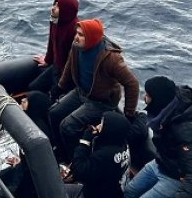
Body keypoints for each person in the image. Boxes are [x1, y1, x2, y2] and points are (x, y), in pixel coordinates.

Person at [49, 19, 139, 163]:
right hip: (81, 92)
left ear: (91, 37)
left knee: (67, 126)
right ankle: (60, 149)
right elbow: (69, 66)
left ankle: (74, 162)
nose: (76, 37)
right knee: (54, 113)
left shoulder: (111, 58)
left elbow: (132, 84)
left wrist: (129, 114)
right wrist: (60, 87)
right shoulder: (76, 46)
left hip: (101, 102)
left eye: (81, 35)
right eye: (77, 33)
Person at [124, 77, 192, 198]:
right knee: (128, 192)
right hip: (162, 162)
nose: (144, 98)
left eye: (148, 96)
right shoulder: (163, 113)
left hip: (177, 177)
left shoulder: (186, 130)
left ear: (158, 100)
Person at [66, 111, 131, 198]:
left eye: (102, 125)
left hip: (95, 195)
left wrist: (84, 142)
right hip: (114, 191)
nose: (97, 126)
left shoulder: (105, 155)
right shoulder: (123, 144)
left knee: (57, 190)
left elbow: (79, 171)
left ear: (109, 131)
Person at [31, 0, 80, 99]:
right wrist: (47, 60)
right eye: (54, 4)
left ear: (66, 10)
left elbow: (75, 60)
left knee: (55, 97)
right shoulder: (55, 21)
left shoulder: (75, 30)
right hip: (56, 67)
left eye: (58, 6)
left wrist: (63, 80)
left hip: (67, 74)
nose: (53, 8)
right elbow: (52, 42)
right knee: (33, 87)